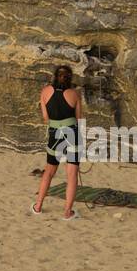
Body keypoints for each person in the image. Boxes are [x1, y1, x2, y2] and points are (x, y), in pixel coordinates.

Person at [32, 65, 82, 220]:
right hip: (71, 134)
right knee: (72, 174)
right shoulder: (74, 94)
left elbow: (46, 118)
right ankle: (67, 212)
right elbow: (79, 118)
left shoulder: (45, 92)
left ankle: (38, 206)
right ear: (70, 78)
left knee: (49, 171)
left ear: (55, 76)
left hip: (54, 133)